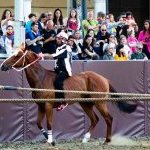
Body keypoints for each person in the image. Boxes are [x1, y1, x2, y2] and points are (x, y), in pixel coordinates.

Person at [41, 31, 72, 111]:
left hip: (64, 71)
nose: (56, 40)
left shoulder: (66, 48)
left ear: (63, 40)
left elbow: (54, 56)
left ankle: (63, 102)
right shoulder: (58, 48)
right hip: (58, 70)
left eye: (58, 38)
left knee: (57, 82)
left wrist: (43, 55)